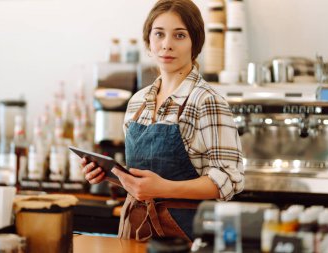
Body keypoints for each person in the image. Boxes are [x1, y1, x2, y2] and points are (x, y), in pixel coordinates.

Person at [81, 0, 244, 242]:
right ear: (149, 43)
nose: (167, 44)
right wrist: (110, 174)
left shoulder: (206, 101)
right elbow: (141, 180)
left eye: (179, 35)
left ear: (194, 44)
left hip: (186, 237)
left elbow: (230, 179)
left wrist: (162, 188)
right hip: (134, 233)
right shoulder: (137, 103)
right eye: (159, 34)